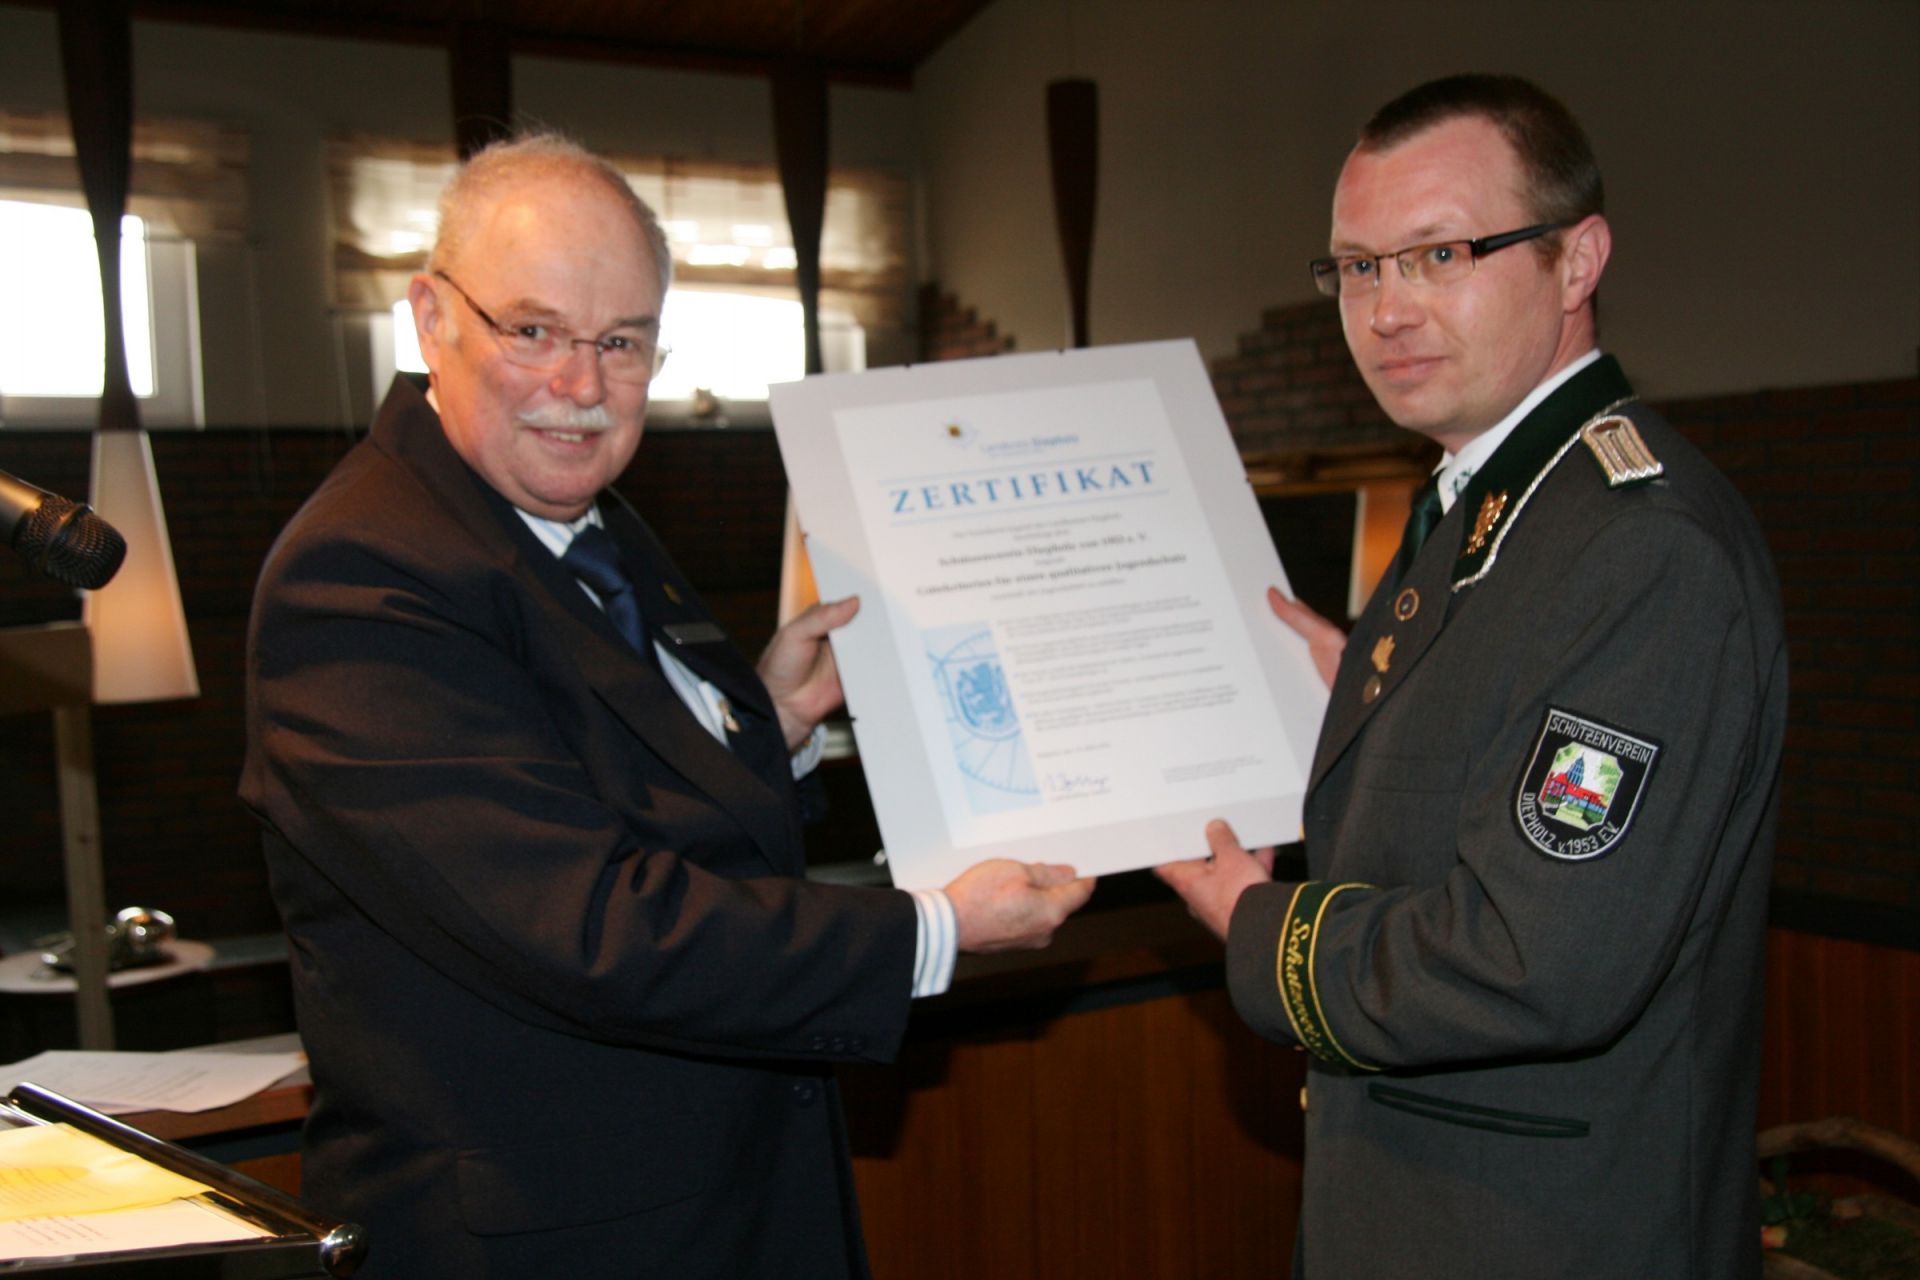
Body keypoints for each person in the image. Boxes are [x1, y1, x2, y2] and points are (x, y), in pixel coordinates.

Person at [240, 134, 1092, 1279]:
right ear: (431, 318)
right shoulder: (363, 573)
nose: (582, 387)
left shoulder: (576, 513)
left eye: (622, 341)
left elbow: (601, 776)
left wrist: (766, 728)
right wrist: (934, 927)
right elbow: (589, 924)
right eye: (533, 329)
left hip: (708, 1207)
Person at [1157, 75, 1786, 1279]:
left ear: (1576, 259)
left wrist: (1256, 924)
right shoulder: (1493, 498)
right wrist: (1370, 693)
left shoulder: (1640, 544)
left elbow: (1530, 958)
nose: (1387, 309)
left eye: (1440, 254)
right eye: (1358, 266)